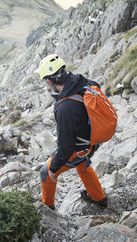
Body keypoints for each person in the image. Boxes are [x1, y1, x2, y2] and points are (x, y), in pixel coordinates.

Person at [38, 54, 107, 210]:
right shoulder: (87, 83)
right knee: (82, 163)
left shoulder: (65, 108)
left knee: (45, 172)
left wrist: (54, 169)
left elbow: (66, 147)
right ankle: (99, 197)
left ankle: (47, 208)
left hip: (80, 147)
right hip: (94, 141)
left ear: (49, 80)